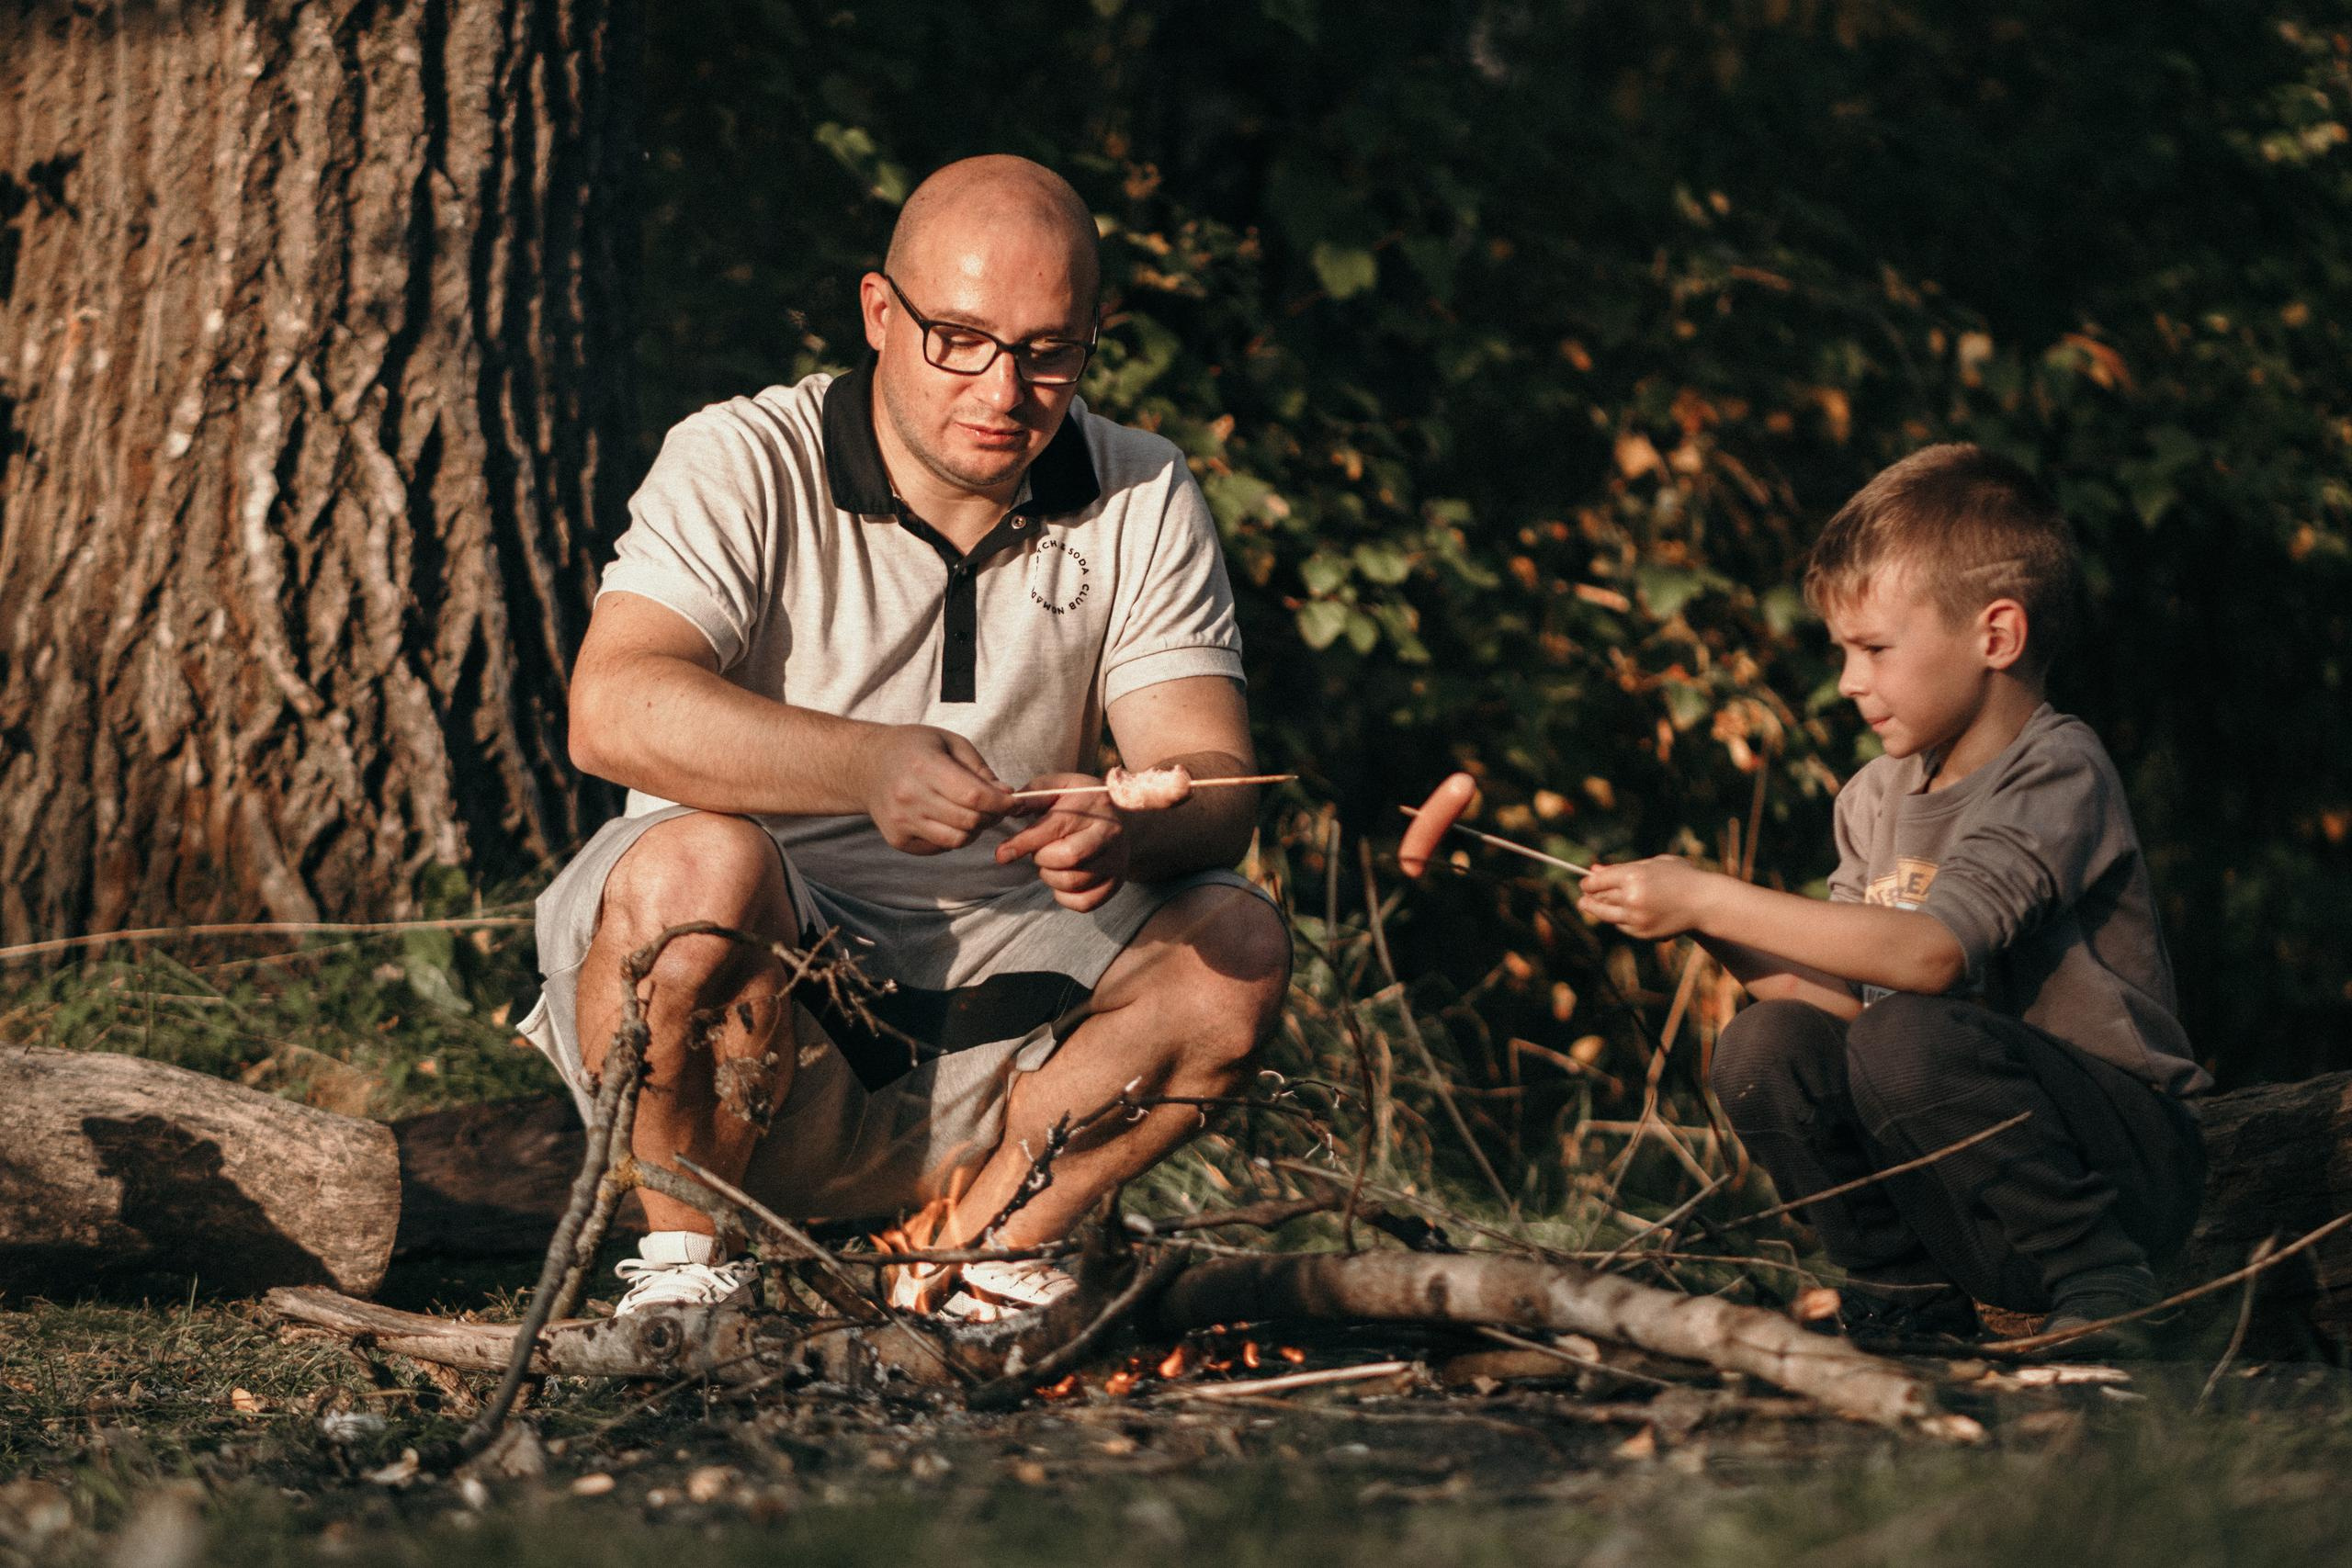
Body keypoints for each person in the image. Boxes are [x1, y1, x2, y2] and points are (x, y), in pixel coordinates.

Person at [517, 155, 1290, 1318]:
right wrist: (863, 762)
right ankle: (685, 1273)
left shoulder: (1140, 487)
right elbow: (611, 706)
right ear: (880, 313)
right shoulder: (745, 458)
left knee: (1236, 939)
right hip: (765, 990)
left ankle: (967, 1264)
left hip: (1012, 996)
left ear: (1092, 337)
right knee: (693, 868)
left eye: (1048, 351)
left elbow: (1222, 775)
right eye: (959, 338)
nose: (1003, 388)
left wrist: (1129, 829)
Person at [1575, 444, 2207, 1350]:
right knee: (1765, 1045)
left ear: (1995, 637)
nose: (1848, 682)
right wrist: (1699, 927)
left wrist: (1712, 896)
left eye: (1873, 648)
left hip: (2118, 1165)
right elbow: (1832, 1011)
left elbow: (1931, 956)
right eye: (1842, 651)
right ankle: (1905, 1292)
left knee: (1908, 1030)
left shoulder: (2056, 767)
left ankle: (2107, 1288)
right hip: (1955, 1183)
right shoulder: (1870, 799)